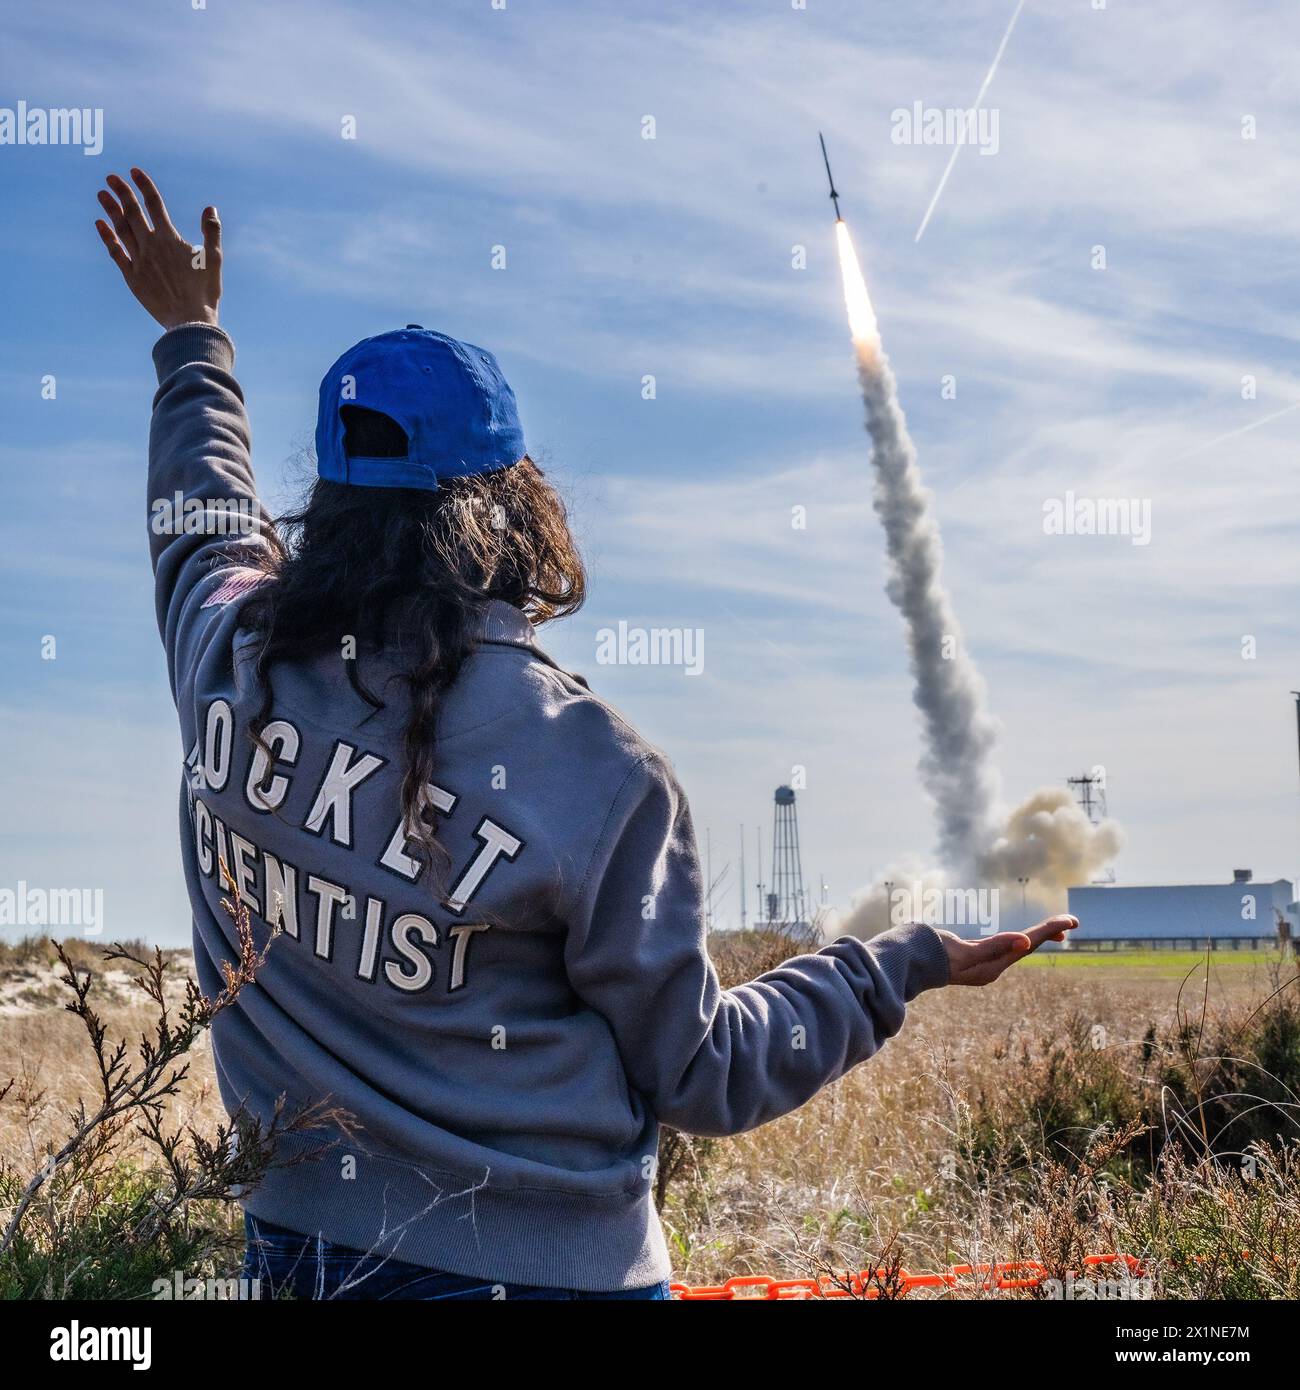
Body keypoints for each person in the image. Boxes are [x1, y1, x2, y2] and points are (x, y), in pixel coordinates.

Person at [94, 168, 1078, 1302]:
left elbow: (203, 513)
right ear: (509, 500)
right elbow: (704, 1073)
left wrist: (191, 340)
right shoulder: (594, 769)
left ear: (333, 496)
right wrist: (895, 966)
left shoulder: (227, 659)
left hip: (300, 1254)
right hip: (551, 1275)